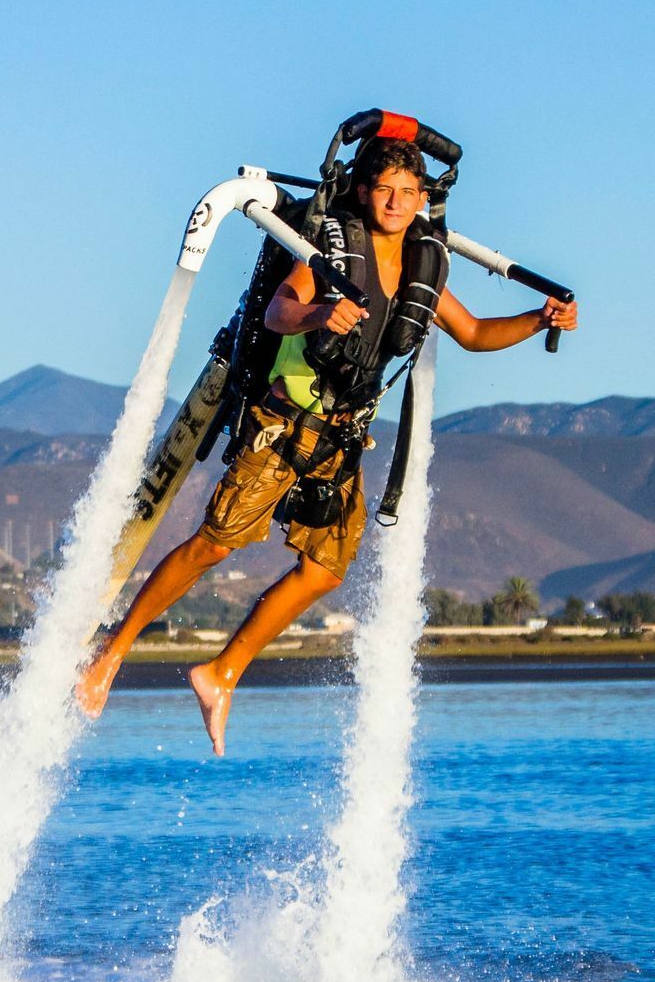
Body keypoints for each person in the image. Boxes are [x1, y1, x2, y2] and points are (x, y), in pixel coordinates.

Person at [77, 137, 578, 754]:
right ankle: (112, 650)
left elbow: (473, 333)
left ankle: (220, 673)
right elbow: (280, 311)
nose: (395, 202)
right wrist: (320, 316)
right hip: (285, 423)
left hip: (342, 437)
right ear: (365, 193)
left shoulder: (425, 265)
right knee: (215, 544)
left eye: (408, 192)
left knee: (323, 570)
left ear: (423, 198)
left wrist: (539, 320)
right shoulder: (333, 253)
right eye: (384, 190)